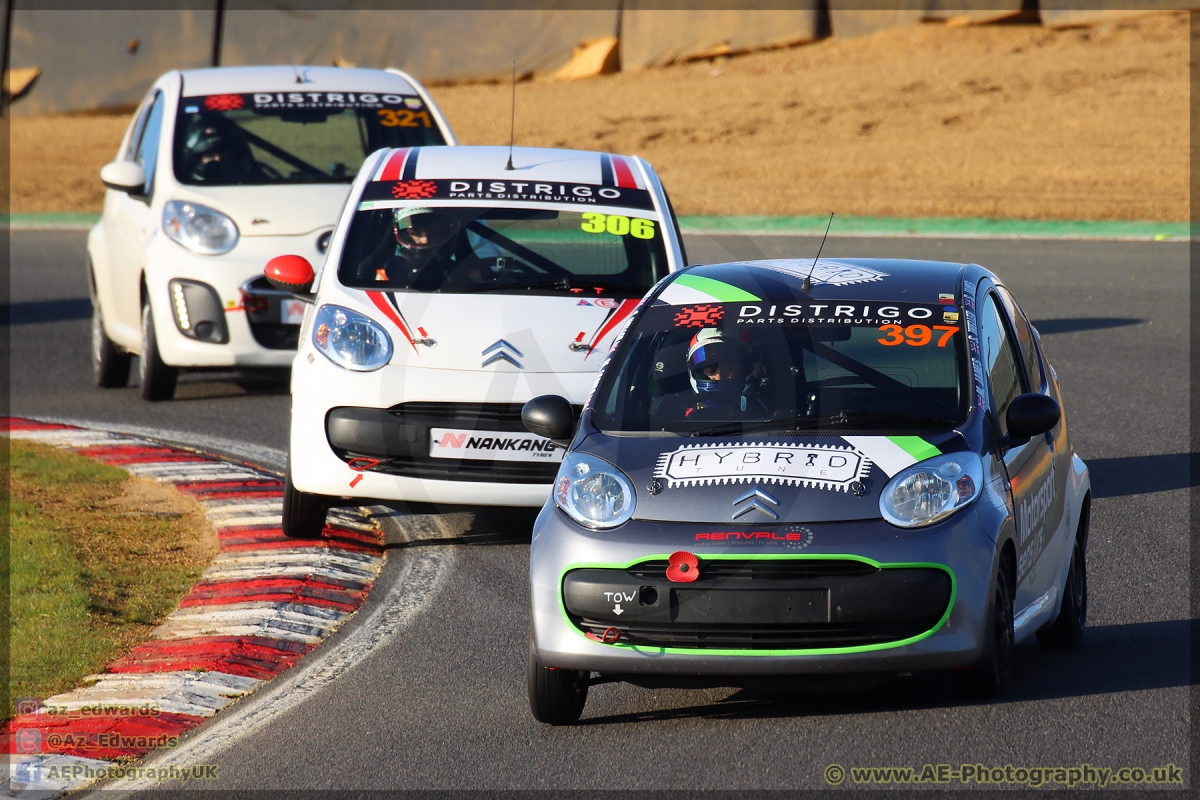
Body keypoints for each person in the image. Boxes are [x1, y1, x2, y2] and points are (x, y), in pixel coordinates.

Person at [684, 328, 767, 418]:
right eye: (711, 370)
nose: (719, 376)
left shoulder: (772, 409)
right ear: (699, 372)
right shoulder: (683, 416)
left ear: (747, 366)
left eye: (729, 368)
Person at [374, 206, 465, 283]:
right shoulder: (380, 279)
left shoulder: (463, 276)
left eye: (433, 231)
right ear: (403, 233)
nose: (425, 240)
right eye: (416, 232)